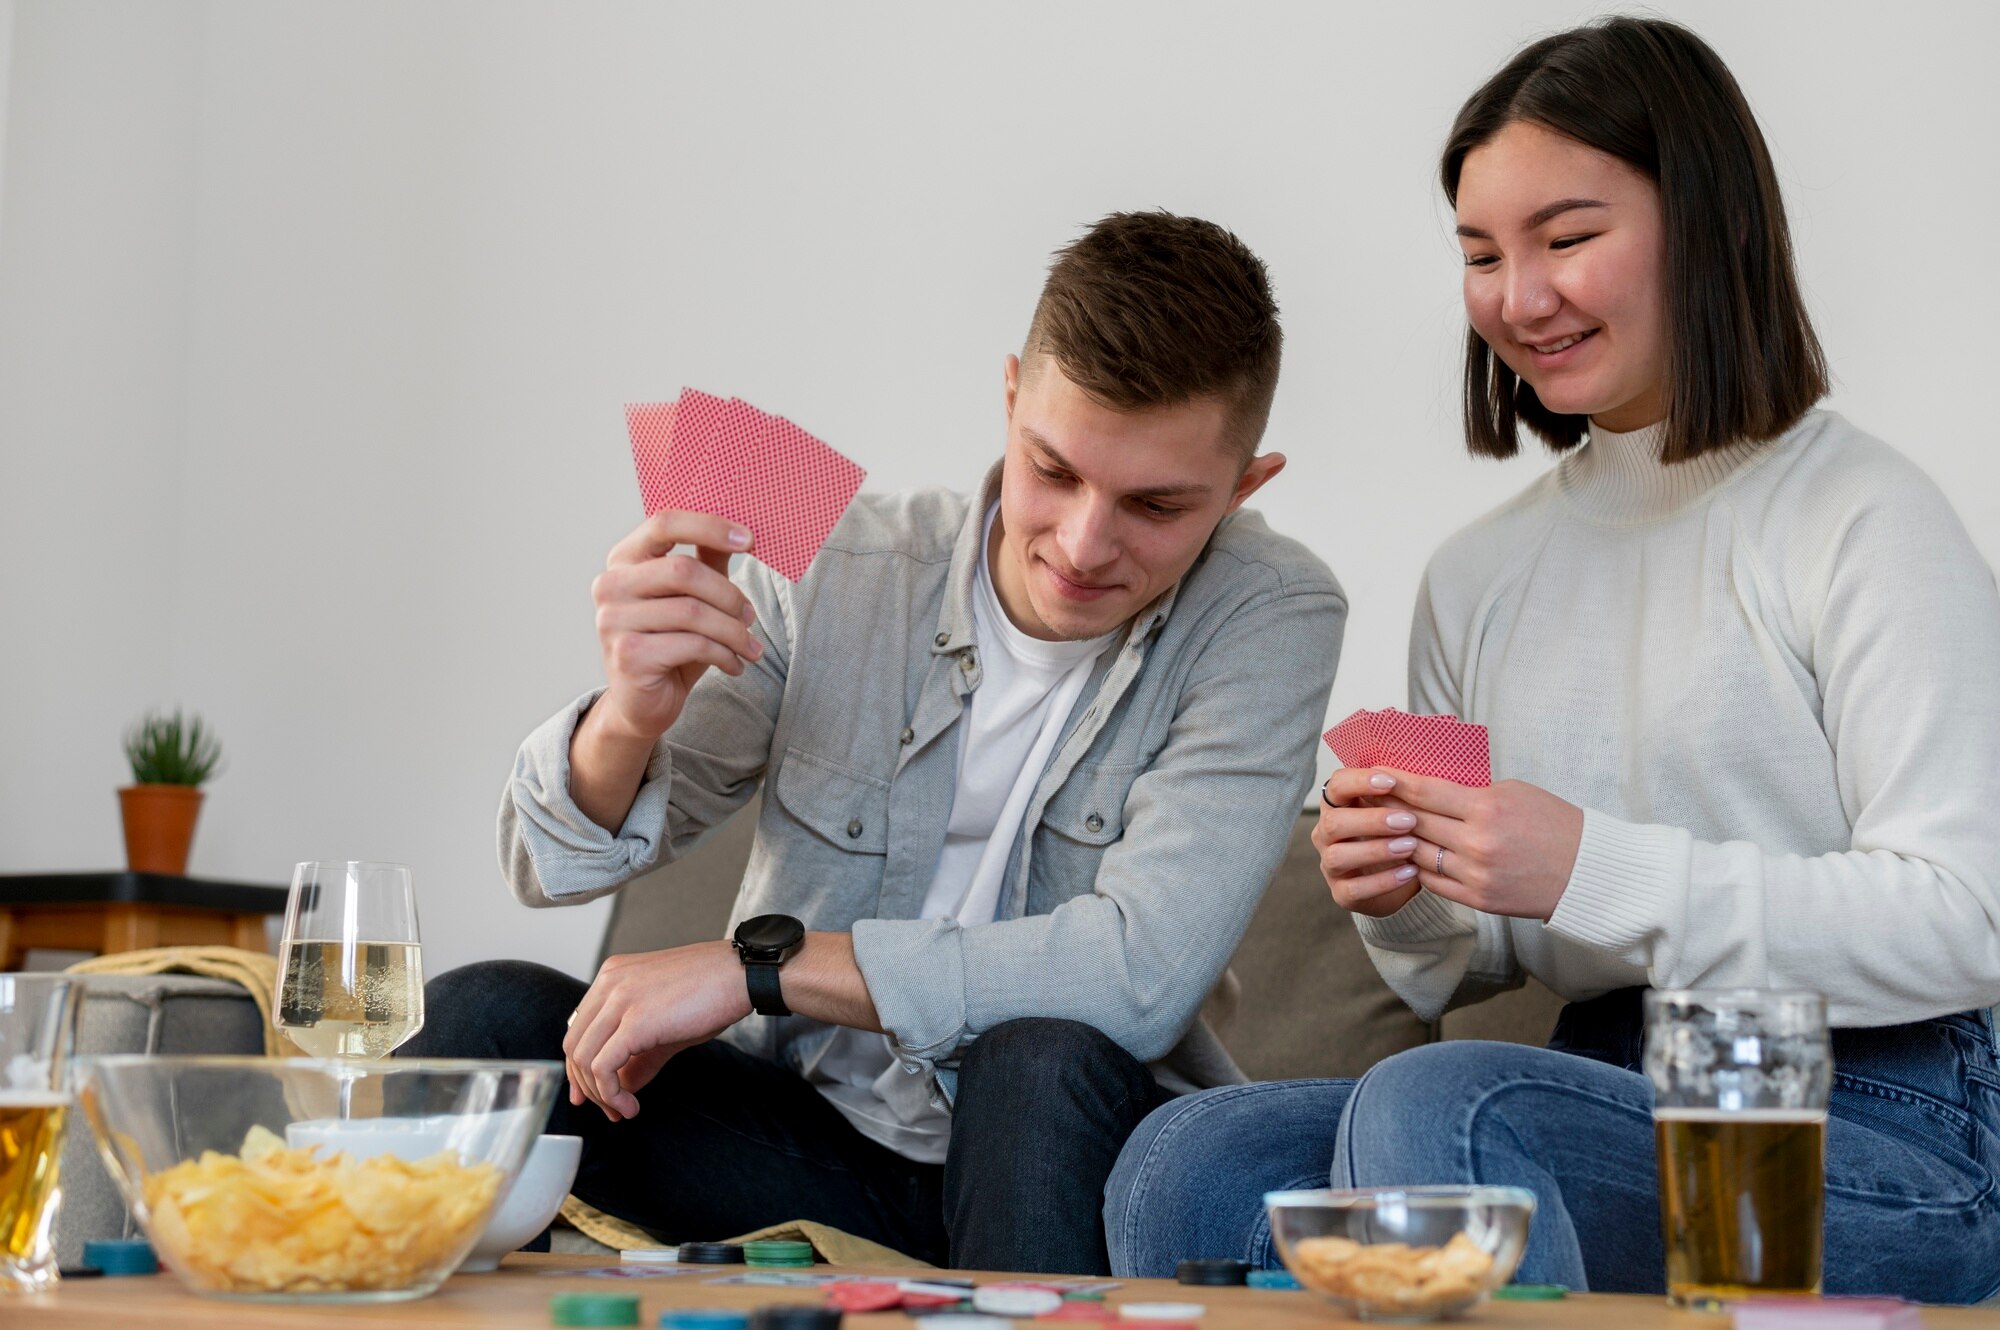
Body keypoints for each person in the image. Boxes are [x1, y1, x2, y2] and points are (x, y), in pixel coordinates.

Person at [1103, 17, 2000, 1302]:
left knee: (1443, 1107)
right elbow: (1464, 958)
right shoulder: (1477, 575)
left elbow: (1964, 916)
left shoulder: (1862, 518)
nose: (1516, 299)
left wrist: (1591, 864)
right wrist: (1403, 890)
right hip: (1586, 1084)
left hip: (1878, 1115)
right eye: (1479, 254)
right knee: (1187, 1157)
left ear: (1707, 223)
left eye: (1565, 239)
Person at [408, 211, 1346, 1275]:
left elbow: (1135, 978)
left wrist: (759, 969)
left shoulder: (1273, 611)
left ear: (1243, 487)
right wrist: (629, 714)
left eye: (1156, 505)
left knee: (1035, 1056)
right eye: (1053, 471)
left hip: (1064, 1153)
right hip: (807, 1139)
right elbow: (545, 865)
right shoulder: (844, 564)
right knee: (482, 1018)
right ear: (1009, 401)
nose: (1084, 543)